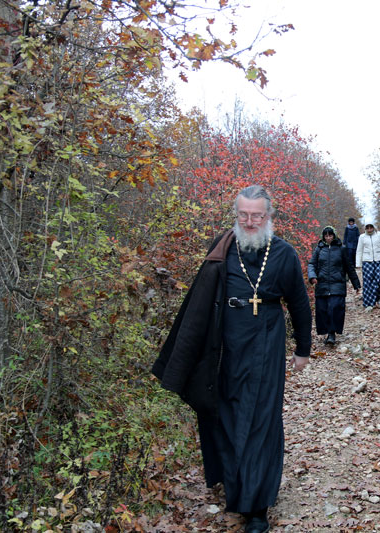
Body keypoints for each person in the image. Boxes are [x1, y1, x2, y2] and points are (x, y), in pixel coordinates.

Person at [151, 185, 312, 533]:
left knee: (261, 420)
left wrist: (303, 348)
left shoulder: (283, 253)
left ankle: (256, 508)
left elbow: (299, 303)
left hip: (267, 341)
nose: (250, 222)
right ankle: (235, 485)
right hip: (224, 345)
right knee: (225, 415)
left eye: (257, 216)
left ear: (269, 216)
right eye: (244, 215)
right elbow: (200, 301)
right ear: (236, 215)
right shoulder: (223, 248)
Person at [308, 226, 360, 345]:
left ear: (334, 235)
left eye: (330, 235)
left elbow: (349, 267)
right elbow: (311, 264)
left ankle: (332, 333)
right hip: (322, 284)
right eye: (326, 236)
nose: (328, 238)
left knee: (335, 308)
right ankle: (326, 331)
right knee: (322, 309)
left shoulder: (341, 249)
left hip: (338, 284)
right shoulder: (319, 249)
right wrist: (312, 276)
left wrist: (356, 284)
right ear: (323, 237)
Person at [355, 223, 380, 309]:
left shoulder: (379, 234)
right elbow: (359, 250)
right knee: (368, 282)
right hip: (367, 261)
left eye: (371, 227)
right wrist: (358, 263)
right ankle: (369, 303)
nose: (369, 229)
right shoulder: (362, 237)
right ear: (365, 228)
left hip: (379, 260)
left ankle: (379, 297)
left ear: (373, 227)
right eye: (367, 228)